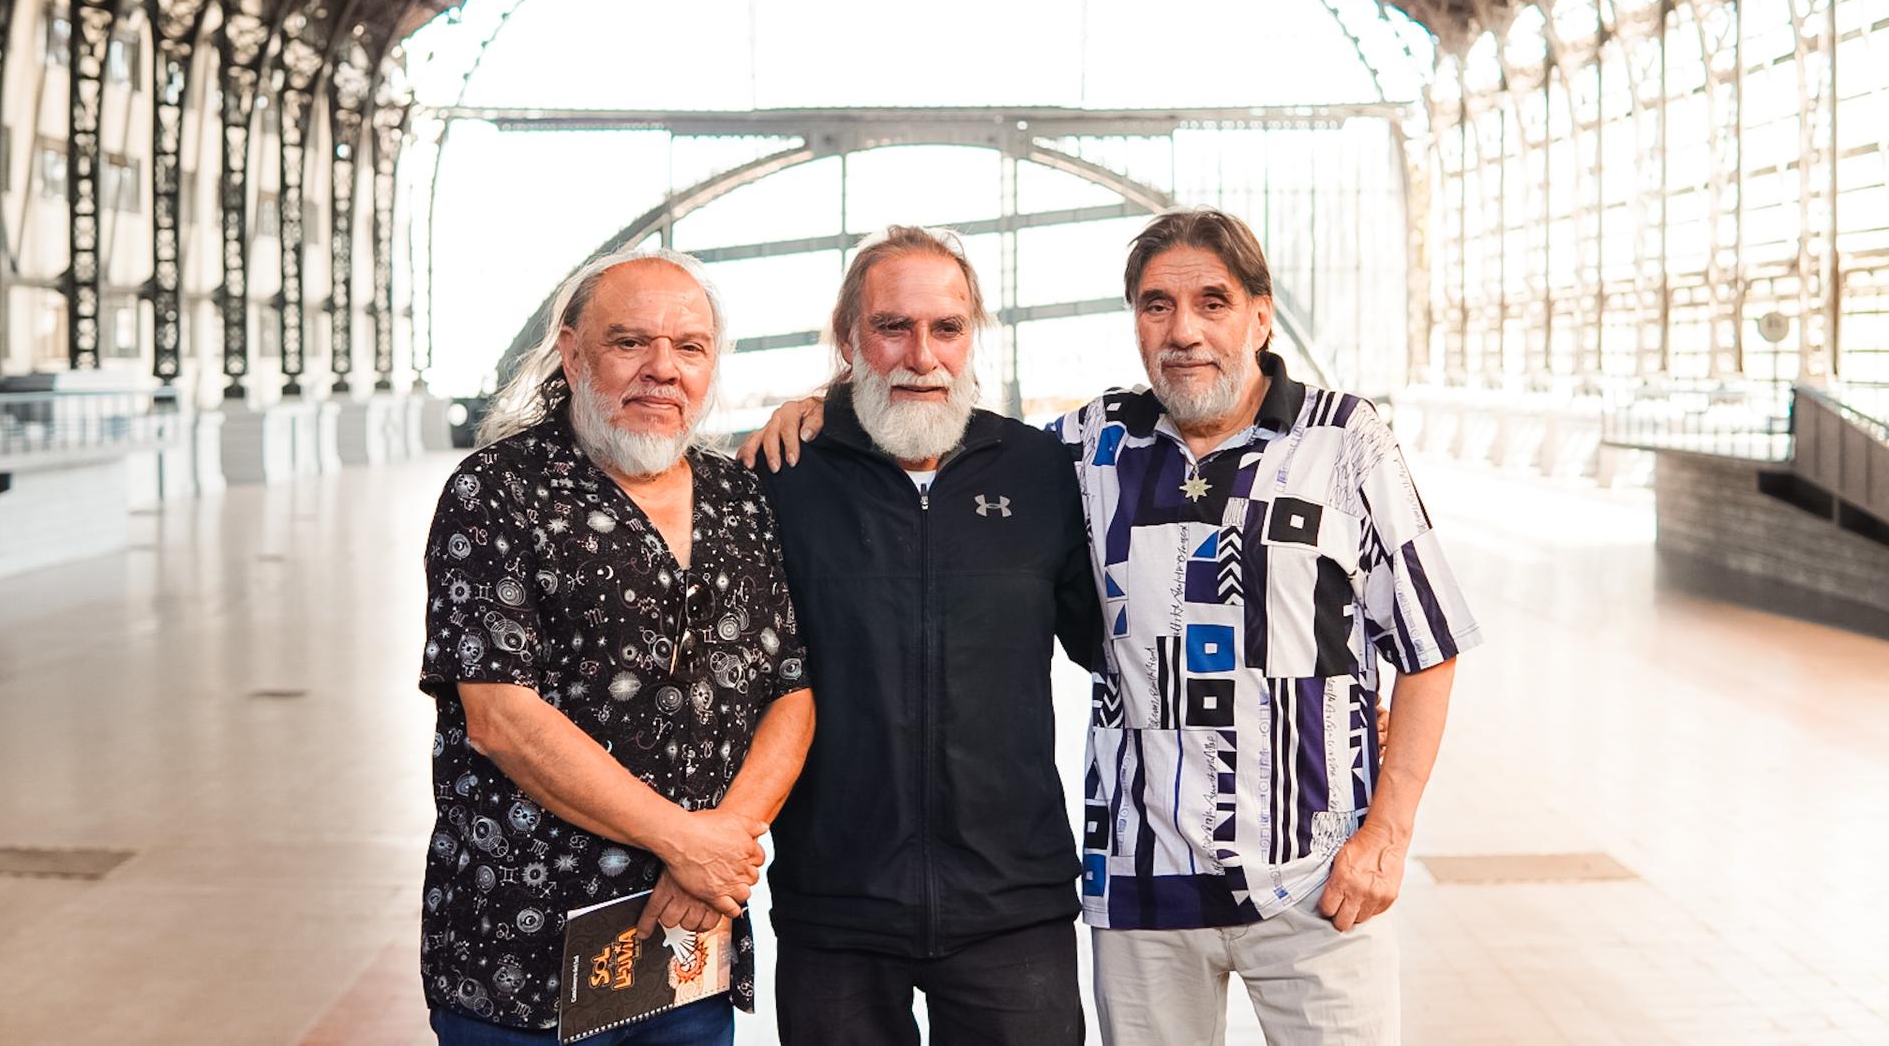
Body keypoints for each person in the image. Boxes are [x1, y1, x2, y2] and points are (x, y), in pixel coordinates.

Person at [749, 209, 1479, 1045]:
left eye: (1213, 301)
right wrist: (819, 406)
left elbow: (1430, 644)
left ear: (1261, 312)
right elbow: (922, 419)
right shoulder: (1089, 448)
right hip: (1142, 886)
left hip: (1314, 881)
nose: (1185, 331)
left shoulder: (1344, 439)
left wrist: (1386, 832)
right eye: (1156, 305)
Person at [419, 249, 815, 1045]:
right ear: (572, 353)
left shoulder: (739, 496)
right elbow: (500, 715)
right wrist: (686, 842)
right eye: (630, 342)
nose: (662, 369)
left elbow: (790, 691)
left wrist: (718, 854)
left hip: (687, 939)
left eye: (690, 347)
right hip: (520, 958)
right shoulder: (497, 491)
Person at [746, 226, 1101, 1046]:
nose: (921, 353)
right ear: (847, 341)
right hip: (835, 904)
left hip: (1014, 904)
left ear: (972, 335)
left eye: (946, 327)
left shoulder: (1039, 471)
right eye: (891, 326)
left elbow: (1116, 641)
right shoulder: (779, 478)